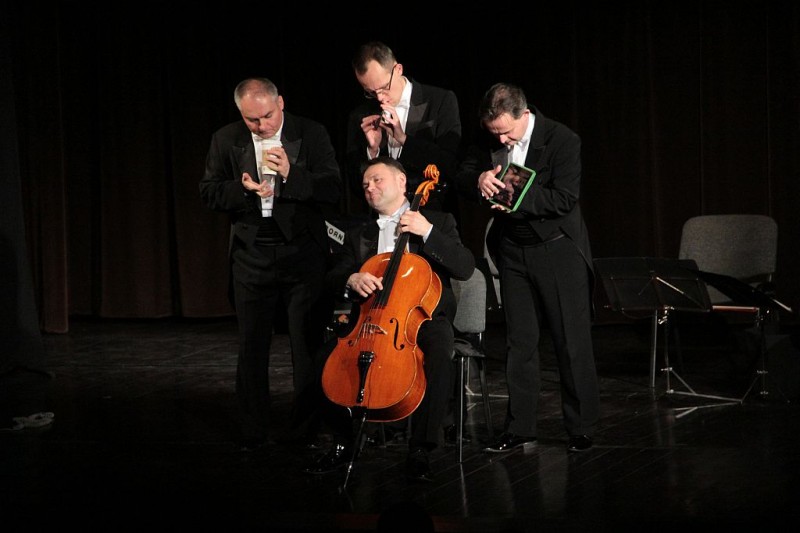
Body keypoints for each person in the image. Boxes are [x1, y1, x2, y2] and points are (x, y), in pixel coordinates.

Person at [303, 157, 475, 481]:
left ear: (401, 182)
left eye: (377, 180)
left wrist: (427, 232)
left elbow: (465, 267)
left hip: (423, 318)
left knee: (439, 354)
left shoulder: (438, 221)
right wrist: (352, 278)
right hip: (371, 318)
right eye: (365, 184)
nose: (369, 188)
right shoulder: (358, 233)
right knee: (324, 359)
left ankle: (421, 449)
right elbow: (333, 275)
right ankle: (344, 442)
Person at [199, 77, 342, 451]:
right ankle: (254, 429)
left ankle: (304, 429)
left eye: (266, 116)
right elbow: (209, 191)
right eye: (252, 120)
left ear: (280, 103)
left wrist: (292, 174)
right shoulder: (226, 138)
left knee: (306, 345)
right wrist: (242, 191)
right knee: (252, 346)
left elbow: (332, 188)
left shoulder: (310, 133)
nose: (261, 125)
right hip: (251, 254)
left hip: (302, 253)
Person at [456, 82, 599, 453]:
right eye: (495, 134)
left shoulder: (562, 140)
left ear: (524, 114)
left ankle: (581, 427)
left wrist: (512, 195)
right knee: (520, 342)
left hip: (556, 249)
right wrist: (479, 180)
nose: (501, 140)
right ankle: (519, 427)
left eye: (506, 132)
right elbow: (464, 171)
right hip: (513, 249)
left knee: (570, 341)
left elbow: (564, 198)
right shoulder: (488, 136)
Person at [345, 41, 461, 213]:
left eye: (384, 87)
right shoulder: (360, 116)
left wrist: (404, 139)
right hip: (381, 221)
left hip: (432, 214)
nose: (379, 97)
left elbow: (449, 164)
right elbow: (355, 185)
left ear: (398, 69)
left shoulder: (440, 100)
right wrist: (373, 151)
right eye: (370, 92)